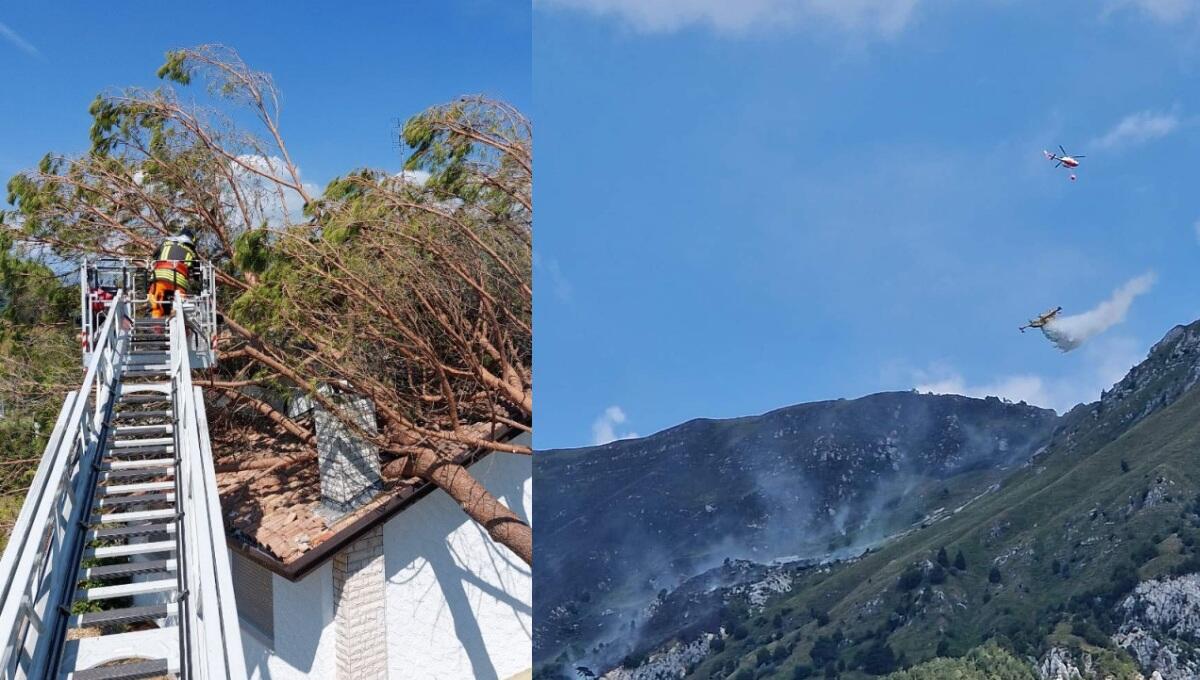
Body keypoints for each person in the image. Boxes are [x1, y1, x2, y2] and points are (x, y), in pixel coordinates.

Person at [148, 227, 198, 319]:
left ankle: (157, 324)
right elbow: (197, 274)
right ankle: (175, 313)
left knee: (156, 301)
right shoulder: (192, 252)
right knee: (180, 303)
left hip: (160, 277)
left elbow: (154, 256)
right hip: (179, 283)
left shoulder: (165, 243)